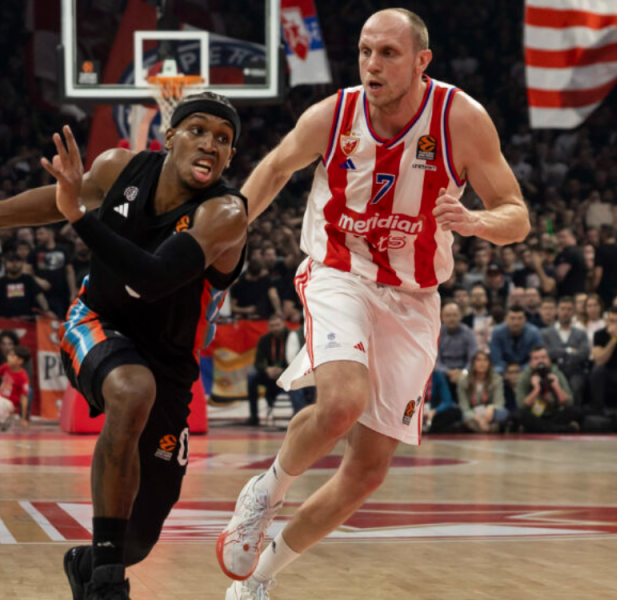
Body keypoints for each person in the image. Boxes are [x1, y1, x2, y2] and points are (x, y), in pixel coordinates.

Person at [216, 9, 529, 599]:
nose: (372, 65)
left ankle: (258, 580)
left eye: (388, 53)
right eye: (365, 52)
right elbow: (276, 167)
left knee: (365, 473)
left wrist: (477, 222)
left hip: (414, 298)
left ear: (421, 61)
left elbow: (517, 216)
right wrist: (218, 238)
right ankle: (266, 491)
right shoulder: (334, 115)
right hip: (342, 272)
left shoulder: (460, 118)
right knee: (340, 403)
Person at [0, 93, 248, 600]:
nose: (209, 144)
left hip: (171, 364)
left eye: (222, 139)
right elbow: (60, 197)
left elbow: (153, 279)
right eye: (197, 130)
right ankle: (109, 585)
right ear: (169, 136)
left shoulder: (225, 213)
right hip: (96, 321)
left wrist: (79, 218)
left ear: (230, 157)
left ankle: (93, 563)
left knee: (137, 539)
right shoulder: (118, 167)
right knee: (131, 389)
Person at [516, 346, 579, 433]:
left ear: (549, 360)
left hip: (555, 415)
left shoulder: (557, 373)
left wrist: (556, 386)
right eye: (536, 358)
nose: (540, 361)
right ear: (530, 362)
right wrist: (536, 389)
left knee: (574, 411)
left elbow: (569, 403)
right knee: (520, 414)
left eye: (543, 357)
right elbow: (521, 405)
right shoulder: (525, 376)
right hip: (535, 416)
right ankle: (560, 429)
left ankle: (544, 429)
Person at [541, 296, 590, 405]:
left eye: (569, 309)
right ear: (557, 311)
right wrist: (568, 351)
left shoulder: (581, 333)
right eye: (563, 308)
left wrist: (558, 353)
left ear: (573, 312)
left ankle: (574, 413)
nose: (565, 312)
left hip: (575, 371)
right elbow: (547, 353)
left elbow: (584, 353)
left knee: (576, 386)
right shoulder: (545, 333)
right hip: (552, 370)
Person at [246, 314, 289, 426]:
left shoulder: (291, 337)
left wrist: (283, 370)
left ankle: (299, 413)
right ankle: (254, 416)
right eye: (272, 326)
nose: (275, 328)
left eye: (278, 325)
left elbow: (298, 360)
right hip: (270, 374)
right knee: (252, 376)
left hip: (289, 374)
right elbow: (258, 362)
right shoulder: (265, 339)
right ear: (268, 327)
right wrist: (267, 369)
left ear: (284, 324)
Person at [0, 251, 53, 320]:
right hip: (6, 320)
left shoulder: (28, 279)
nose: (14, 264)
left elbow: (39, 296)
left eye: (17, 261)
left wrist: (47, 310)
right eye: (11, 261)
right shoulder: (1, 282)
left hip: (27, 319)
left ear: (22, 263)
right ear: (5, 264)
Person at [0, 346, 32, 428]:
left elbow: (24, 398)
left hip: (9, 403)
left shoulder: (23, 377)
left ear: (20, 361)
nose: (8, 357)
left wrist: (23, 418)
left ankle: (6, 417)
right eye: (9, 355)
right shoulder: (6, 367)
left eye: (12, 356)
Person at [456, 351, 507, 433]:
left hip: (489, 413)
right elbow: (464, 407)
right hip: (473, 412)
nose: (482, 363)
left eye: (485, 360)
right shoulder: (463, 380)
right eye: (478, 360)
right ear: (473, 363)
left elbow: (500, 402)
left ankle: (480, 429)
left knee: (503, 413)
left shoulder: (497, 379)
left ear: (489, 363)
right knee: (464, 416)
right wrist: (479, 419)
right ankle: (489, 429)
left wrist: (491, 407)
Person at [435, 301, 477, 392]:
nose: (451, 318)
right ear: (442, 317)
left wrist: (464, 372)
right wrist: (447, 372)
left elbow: (472, 358)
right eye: (448, 315)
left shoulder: (468, 333)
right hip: (443, 373)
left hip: (465, 372)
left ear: (460, 316)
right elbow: (436, 360)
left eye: (454, 315)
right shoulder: (436, 333)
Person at [489, 306, 541, 374]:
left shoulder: (534, 333)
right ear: (506, 319)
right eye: (512, 318)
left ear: (525, 320)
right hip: (504, 368)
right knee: (497, 369)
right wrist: (510, 370)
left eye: (520, 318)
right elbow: (496, 359)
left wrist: (519, 370)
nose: (516, 322)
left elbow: (536, 357)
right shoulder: (497, 332)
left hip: (526, 367)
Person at [554, 228, 586, 296]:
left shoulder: (569, 252)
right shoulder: (578, 250)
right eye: (559, 237)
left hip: (569, 293)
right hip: (577, 291)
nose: (560, 240)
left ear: (573, 237)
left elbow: (560, 275)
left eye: (563, 237)